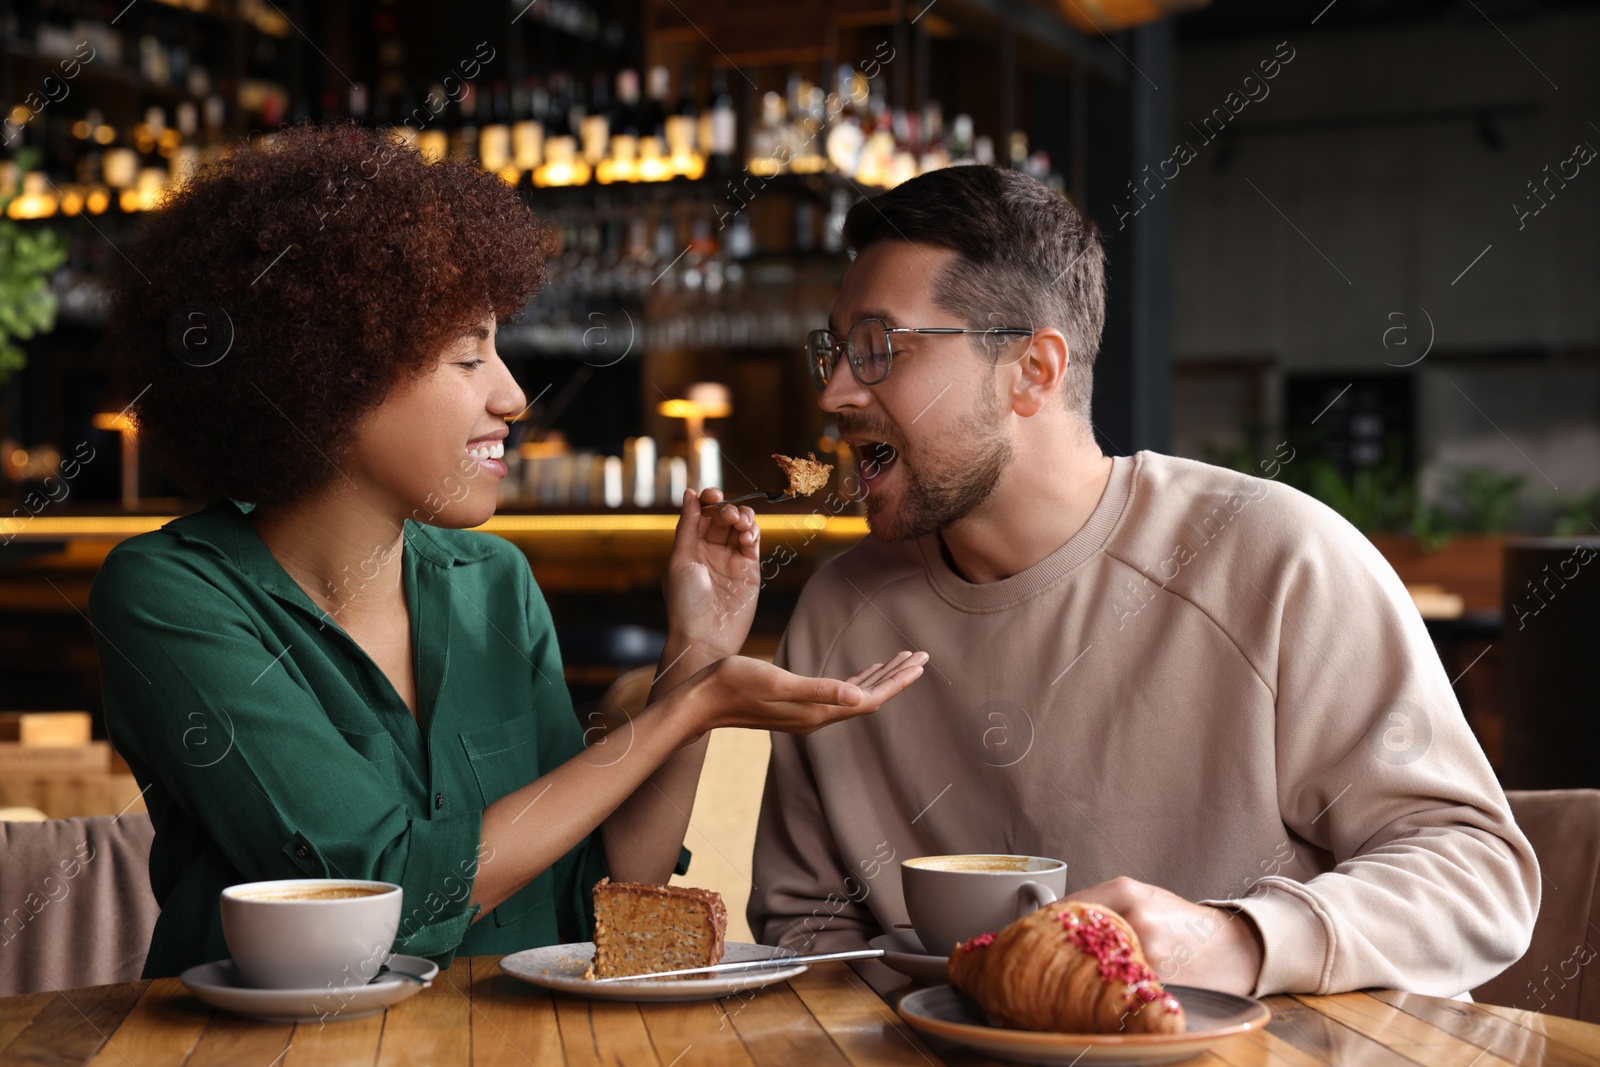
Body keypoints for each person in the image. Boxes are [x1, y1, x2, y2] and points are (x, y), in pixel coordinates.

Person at [88, 124, 927, 979]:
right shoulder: (168, 594)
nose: (514, 394)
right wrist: (687, 708)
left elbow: (596, 892)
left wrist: (697, 659)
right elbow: (382, 898)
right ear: (333, 373)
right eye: (467, 356)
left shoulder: (493, 581)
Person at [747, 164, 1539, 999]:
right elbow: (810, 929)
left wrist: (1234, 939)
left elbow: (1477, 875)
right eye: (835, 350)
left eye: (878, 347)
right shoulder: (837, 612)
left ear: (1032, 370)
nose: (835, 391)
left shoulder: (1278, 558)